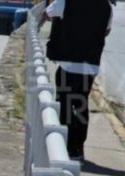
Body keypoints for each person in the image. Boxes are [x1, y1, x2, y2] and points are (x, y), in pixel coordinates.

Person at [43, 0, 115, 161]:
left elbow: (46, 13)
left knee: (65, 104)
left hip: (68, 63)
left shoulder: (66, 1)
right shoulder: (106, 6)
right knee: (81, 104)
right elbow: (106, 31)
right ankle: (78, 147)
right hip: (90, 65)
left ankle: (65, 144)